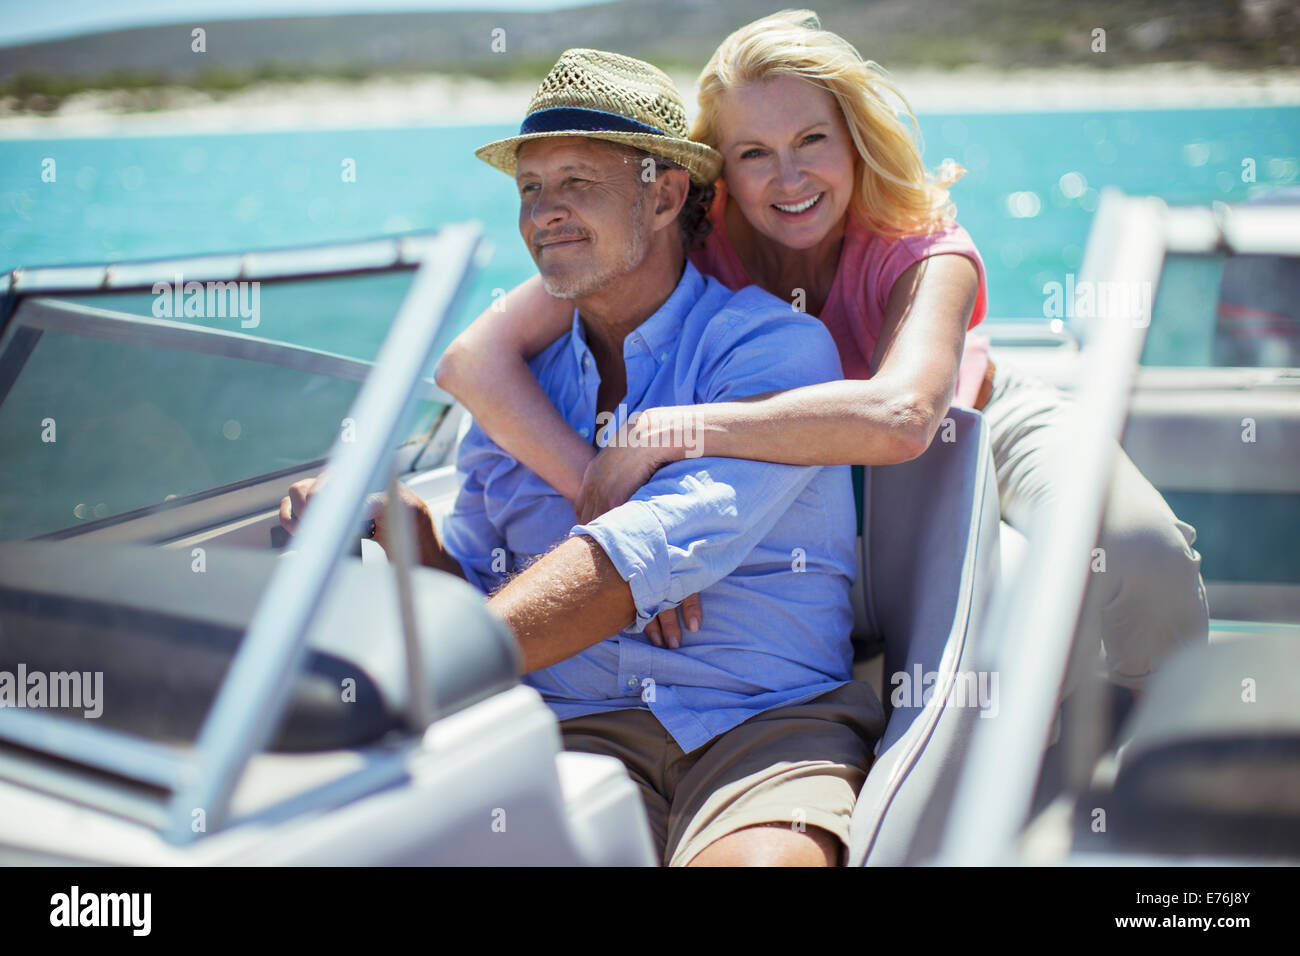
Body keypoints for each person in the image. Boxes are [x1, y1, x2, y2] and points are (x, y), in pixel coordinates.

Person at [435, 9, 1209, 700]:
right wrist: (597, 488)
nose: (790, 176)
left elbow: (902, 417)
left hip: (969, 426)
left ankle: (1157, 755)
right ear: (717, 175)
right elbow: (470, 363)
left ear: (854, 141)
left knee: (1144, 552)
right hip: (809, 468)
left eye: (812, 140)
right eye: (753, 153)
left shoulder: (923, 248)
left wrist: (670, 431)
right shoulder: (690, 240)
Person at [283, 47, 885, 867]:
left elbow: (640, 551)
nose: (545, 213)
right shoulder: (518, 397)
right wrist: (408, 533)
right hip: (570, 728)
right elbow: (484, 584)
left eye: (577, 183)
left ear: (667, 192)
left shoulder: (773, 349)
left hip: (766, 722)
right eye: (531, 189)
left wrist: (409, 684)